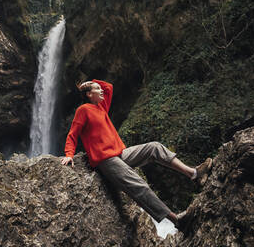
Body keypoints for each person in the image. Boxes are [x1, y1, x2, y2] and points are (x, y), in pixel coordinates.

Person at [60, 79, 212, 230]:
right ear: (89, 94)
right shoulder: (83, 110)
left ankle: (194, 174)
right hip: (106, 161)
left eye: (100, 88)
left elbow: (109, 87)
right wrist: (69, 155)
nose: (101, 91)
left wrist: (92, 82)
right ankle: (177, 220)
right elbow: (73, 134)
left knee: (154, 147)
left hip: (120, 154)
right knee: (139, 185)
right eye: (97, 89)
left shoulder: (101, 107)